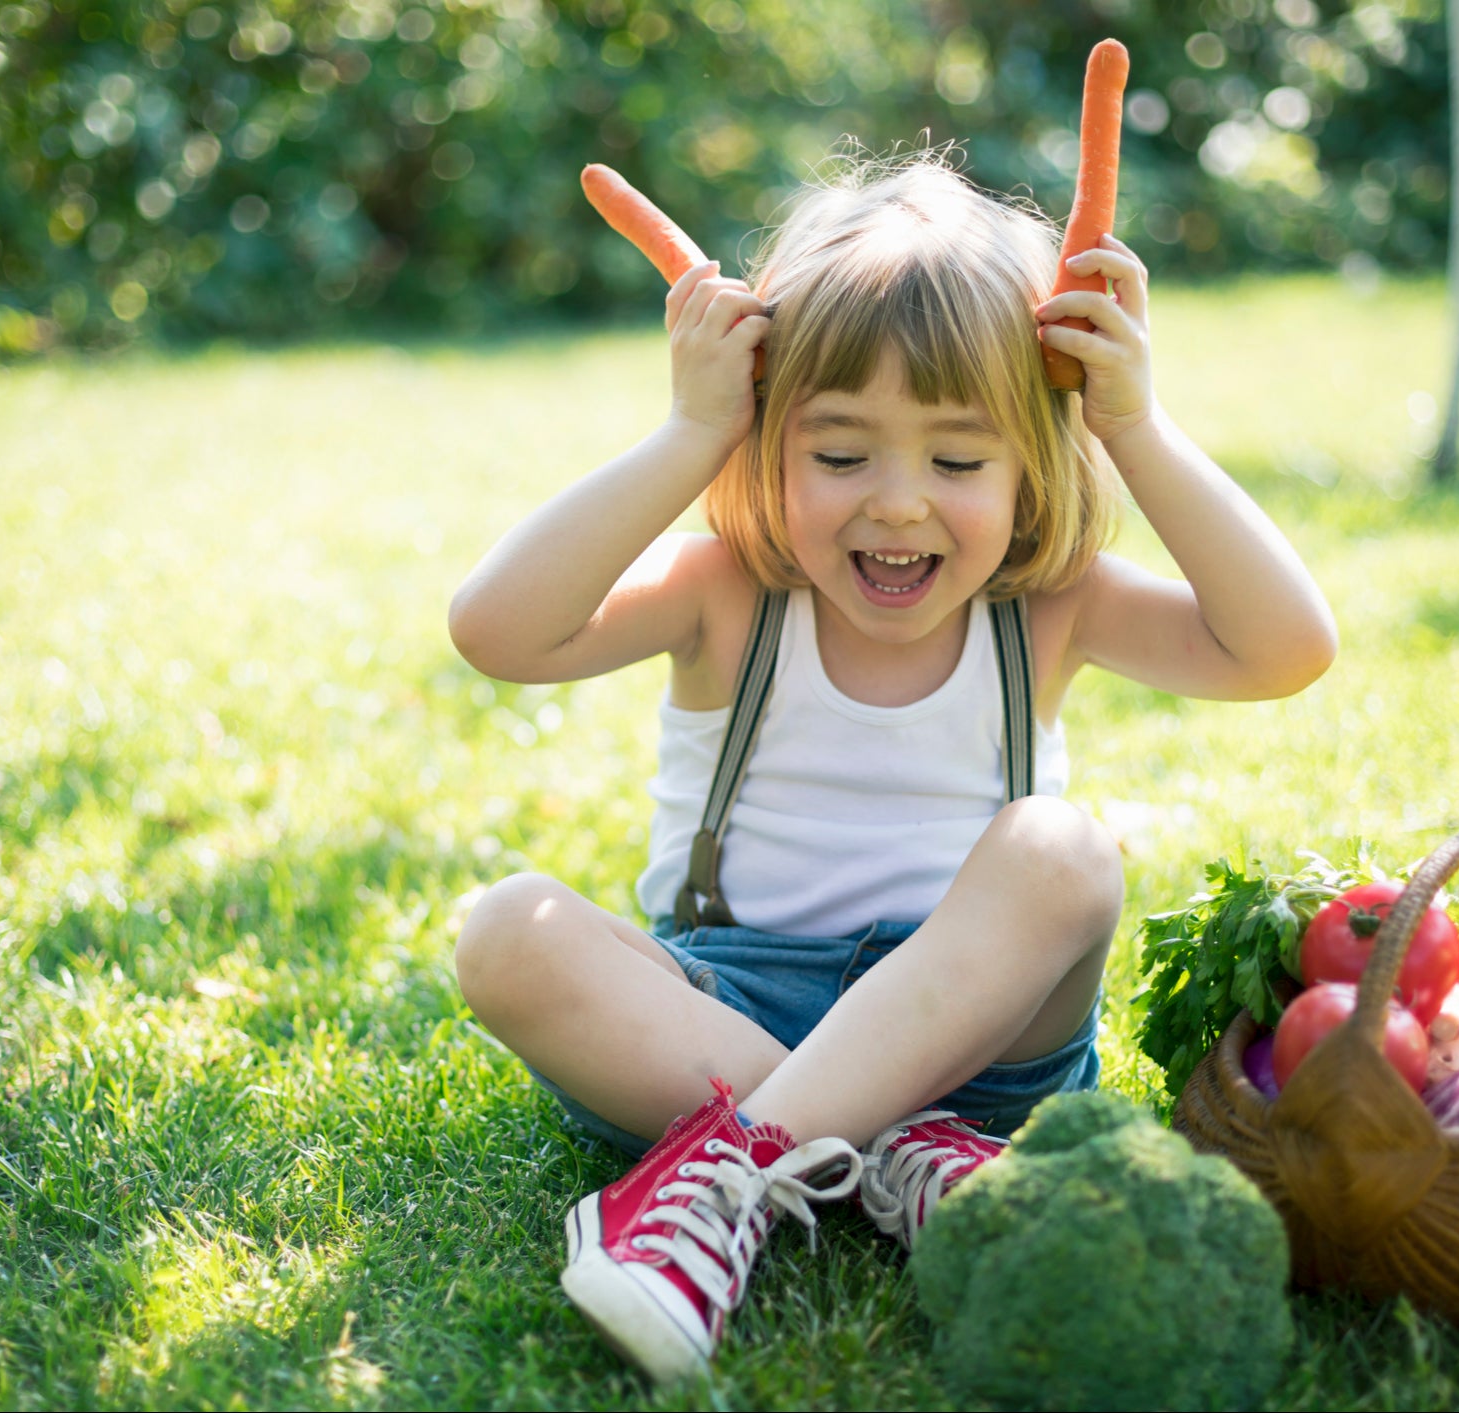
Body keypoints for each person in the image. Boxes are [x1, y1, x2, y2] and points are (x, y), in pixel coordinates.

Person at [447, 155, 1336, 1383]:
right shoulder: (727, 595)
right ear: (767, 438)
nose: (900, 505)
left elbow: (1284, 649)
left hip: (979, 1040)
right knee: (506, 931)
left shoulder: (1047, 608)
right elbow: (499, 631)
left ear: (1035, 461)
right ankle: (888, 1151)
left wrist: (1134, 422)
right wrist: (689, 431)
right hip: (723, 1015)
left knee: (1059, 847)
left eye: (959, 463)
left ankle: (733, 1167)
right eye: (843, 453)